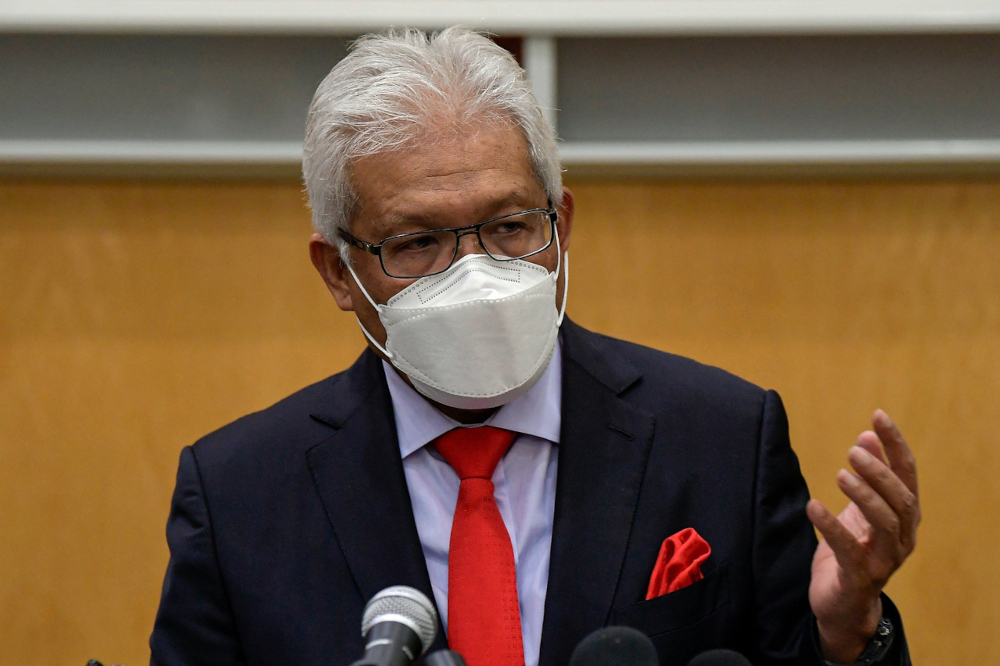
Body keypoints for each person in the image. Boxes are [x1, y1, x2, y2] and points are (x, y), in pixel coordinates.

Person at [149, 27, 919, 666]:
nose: (477, 274)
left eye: (510, 227)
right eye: (418, 242)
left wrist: (848, 630)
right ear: (339, 273)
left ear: (562, 225)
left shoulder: (720, 439)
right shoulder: (238, 497)